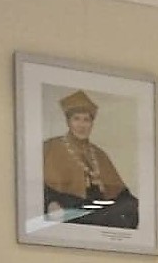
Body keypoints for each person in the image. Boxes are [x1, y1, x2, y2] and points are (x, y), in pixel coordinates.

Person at [42, 90, 140, 229]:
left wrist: (103, 188)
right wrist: (50, 202)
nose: (81, 125)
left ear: (92, 123)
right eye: (76, 119)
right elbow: (38, 186)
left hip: (97, 210)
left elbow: (121, 194)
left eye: (86, 120)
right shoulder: (51, 147)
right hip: (69, 208)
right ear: (68, 121)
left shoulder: (99, 154)